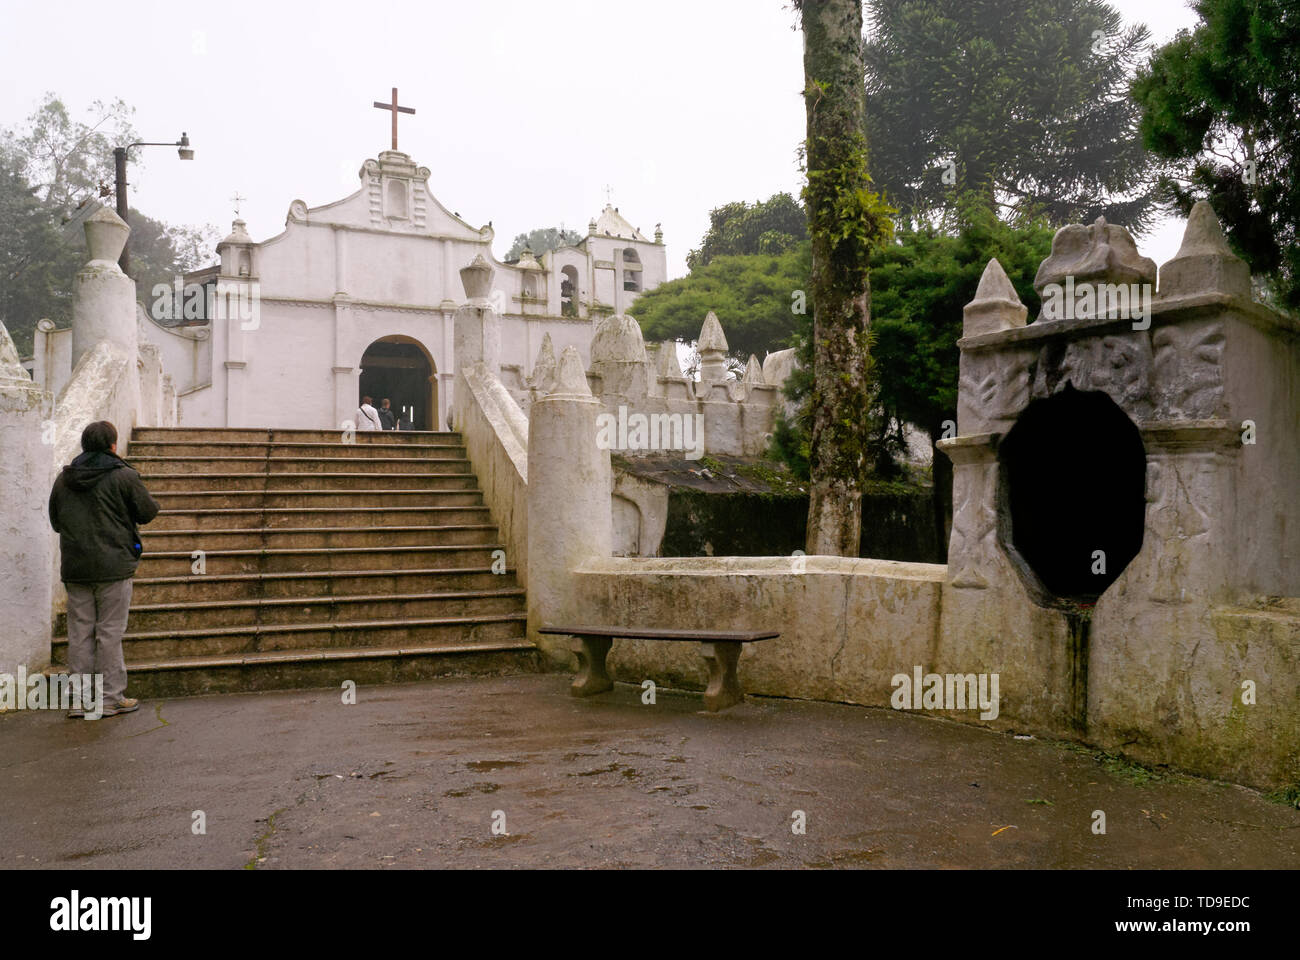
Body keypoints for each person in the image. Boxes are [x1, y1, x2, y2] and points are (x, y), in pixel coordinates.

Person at [48, 420, 160, 719]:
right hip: (114, 566)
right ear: (112, 445)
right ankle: (110, 698)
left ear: (84, 446)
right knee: (109, 633)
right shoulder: (123, 476)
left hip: (76, 568)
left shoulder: (64, 480)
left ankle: (77, 700)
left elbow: (56, 521)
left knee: (79, 633)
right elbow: (148, 512)